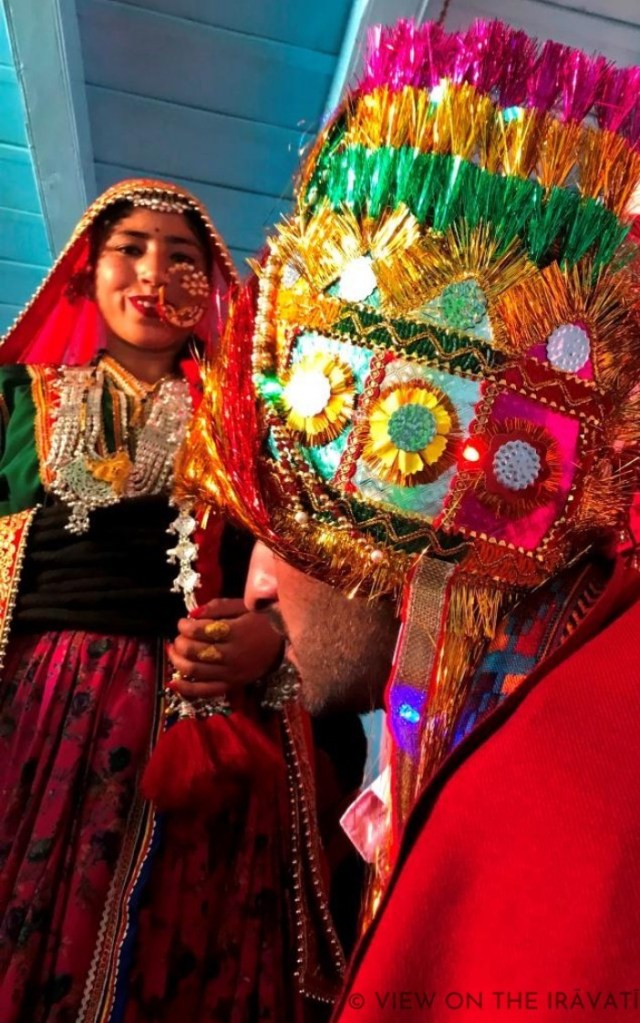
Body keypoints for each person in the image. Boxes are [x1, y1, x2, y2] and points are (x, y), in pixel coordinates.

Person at [180, 18, 640, 1021]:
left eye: (278, 534)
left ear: (417, 528)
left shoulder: (558, 804)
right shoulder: (526, 707)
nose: (256, 585)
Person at [0, 179, 345, 1023]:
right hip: (36, 712)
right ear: (85, 274)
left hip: (198, 722)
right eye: (131, 249)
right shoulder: (16, 399)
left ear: (213, 287)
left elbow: (322, 566)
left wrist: (272, 636)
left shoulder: (265, 425)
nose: (154, 273)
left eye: (183, 257)